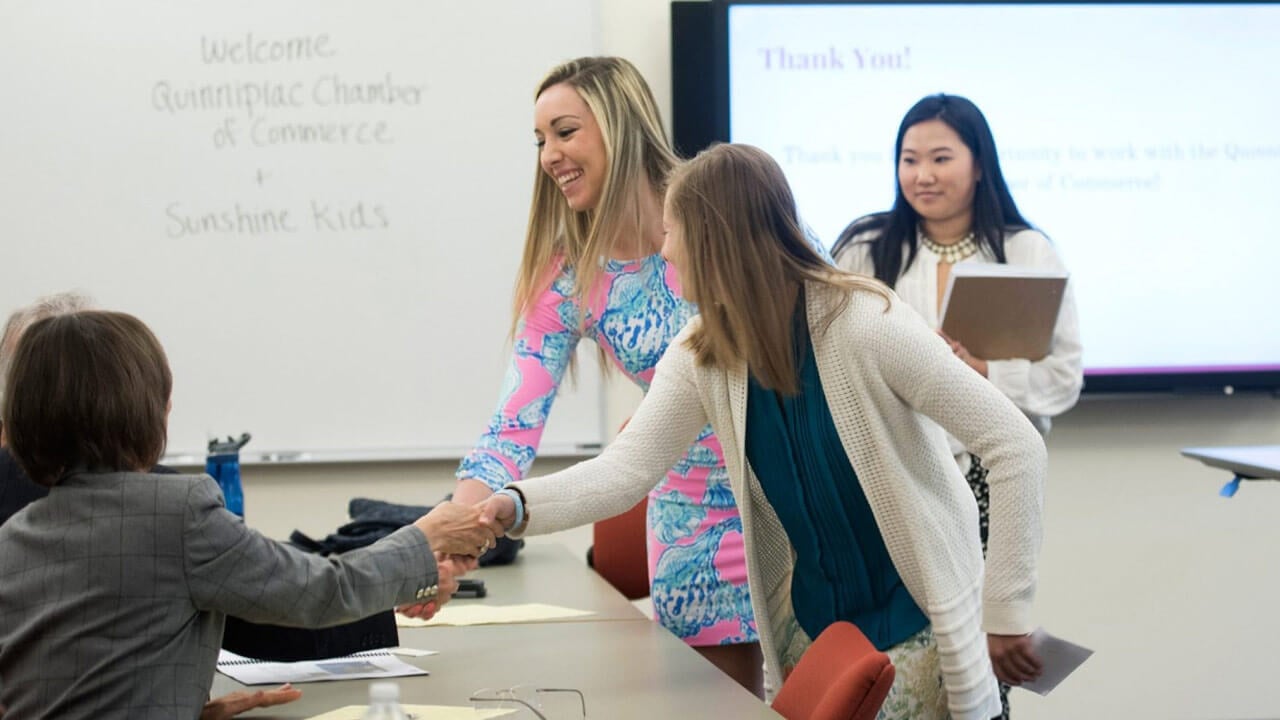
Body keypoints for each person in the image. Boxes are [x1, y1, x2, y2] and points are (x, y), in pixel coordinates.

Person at [479, 143, 1048, 720]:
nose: (663, 246)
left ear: (716, 238)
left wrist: (1006, 612)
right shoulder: (703, 350)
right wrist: (516, 505)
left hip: (915, 621)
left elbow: (1016, 445)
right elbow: (627, 471)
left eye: (674, 229)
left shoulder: (867, 322)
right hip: (815, 632)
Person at [0, 310, 499, 718]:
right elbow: (319, 590)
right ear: (145, 409)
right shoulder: (176, 511)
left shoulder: (13, 540)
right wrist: (423, 534)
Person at [450, 56, 761, 692]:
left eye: (565, 132)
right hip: (690, 518)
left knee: (829, 694)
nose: (549, 155)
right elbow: (511, 428)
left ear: (618, 126)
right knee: (714, 708)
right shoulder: (570, 274)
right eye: (540, 141)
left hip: (790, 490)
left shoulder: (724, 210)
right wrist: (450, 537)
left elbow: (822, 309)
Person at [831, 93, 1082, 720]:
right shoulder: (865, 249)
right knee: (895, 645)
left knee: (978, 645)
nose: (922, 174)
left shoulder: (1027, 250)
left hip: (989, 478)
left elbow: (1065, 376)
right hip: (893, 473)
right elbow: (829, 355)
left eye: (941, 157)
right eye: (909, 159)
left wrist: (983, 375)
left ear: (978, 164)